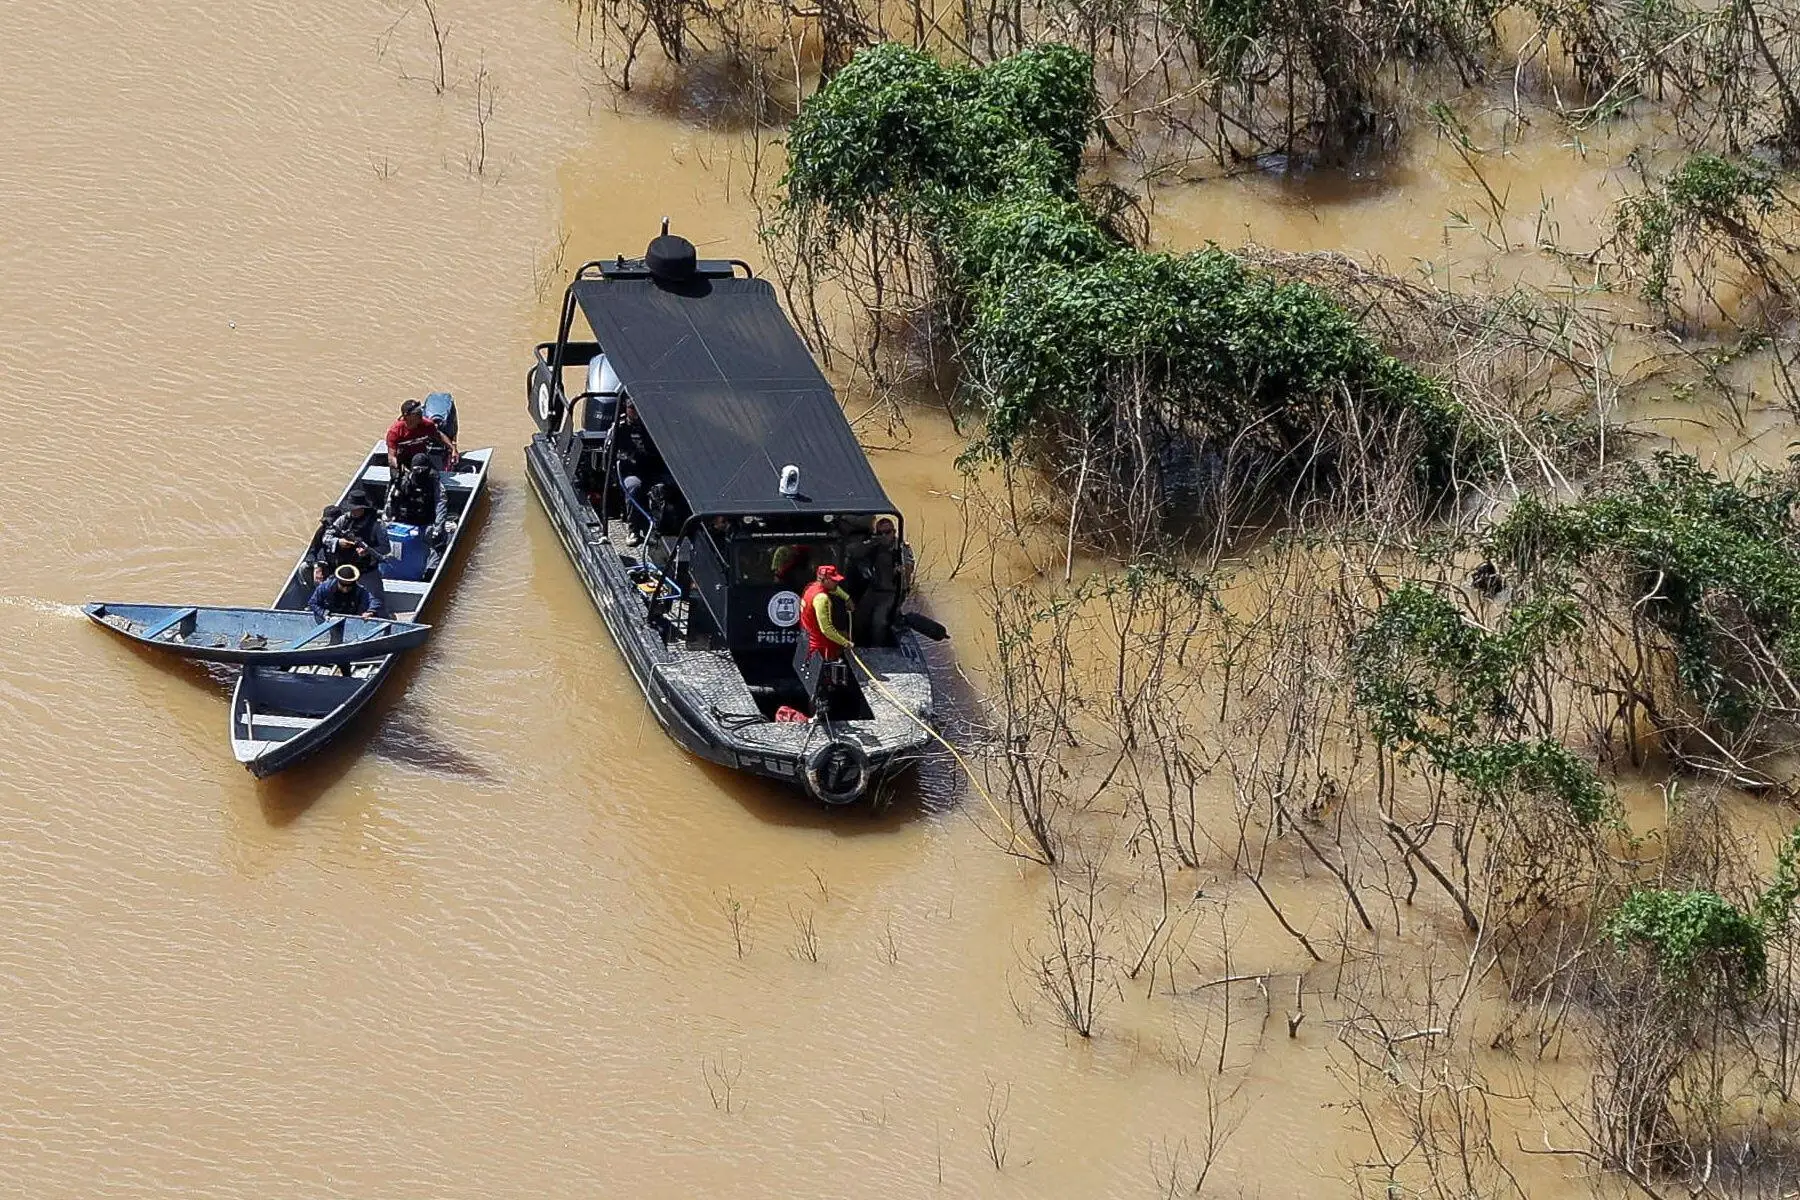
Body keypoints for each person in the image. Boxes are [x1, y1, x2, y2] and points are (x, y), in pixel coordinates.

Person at [322, 489, 391, 612]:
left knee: (376, 602)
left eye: (357, 509)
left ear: (363, 508)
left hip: (367, 570)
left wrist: (368, 551)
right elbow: (326, 538)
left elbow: (385, 548)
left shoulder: (377, 525)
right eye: (352, 508)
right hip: (345, 569)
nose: (354, 511)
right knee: (328, 594)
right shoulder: (343, 520)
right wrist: (339, 542)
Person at [386, 398, 458, 473]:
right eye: (416, 413)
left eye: (420, 411)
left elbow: (439, 435)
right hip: (403, 460)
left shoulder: (427, 424)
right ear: (406, 416)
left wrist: (453, 448)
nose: (420, 414)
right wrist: (396, 469)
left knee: (433, 476)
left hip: (421, 458)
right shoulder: (395, 431)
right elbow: (391, 457)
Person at [386, 453, 448, 535]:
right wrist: (388, 520)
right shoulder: (404, 481)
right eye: (417, 470)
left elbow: (441, 502)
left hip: (426, 524)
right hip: (404, 522)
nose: (420, 472)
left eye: (423, 469)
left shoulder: (434, 483)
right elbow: (390, 501)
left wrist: (438, 527)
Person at [308, 564, 382, 621]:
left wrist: (370, 611)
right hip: (329, 618)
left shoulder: (359, 590)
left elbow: (374, 600)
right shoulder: (325, 587)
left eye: (349, 586)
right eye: (343, 585)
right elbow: (313, 603)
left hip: (350, 619)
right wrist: (323, 613)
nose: (346, 589)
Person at [301, 504, 343, 585]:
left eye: (329, 522)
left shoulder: (345, 534)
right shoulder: (322, 530)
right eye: (326, 522)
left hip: (342, 567)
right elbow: (312, 551)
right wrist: (317, 566)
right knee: (303, 567)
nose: (327, 525)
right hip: (327, 564)